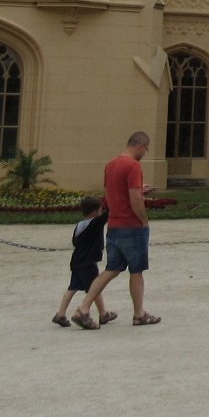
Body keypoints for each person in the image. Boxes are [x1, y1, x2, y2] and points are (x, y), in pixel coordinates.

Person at [74, 131, 160, 328]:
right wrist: (144, 220)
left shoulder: (111, 165)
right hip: (131, 226)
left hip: (114, 225)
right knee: (136, 270)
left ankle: (84, 308)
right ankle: (139, 314)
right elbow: (135, 199)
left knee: (111, 269)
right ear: (140, 146)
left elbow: (111, 193)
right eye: (145, 150)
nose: (144, 154)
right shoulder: (133, 166)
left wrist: (139, 188)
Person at [53, 195, 115, 328]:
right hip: (88, 262)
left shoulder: (80, 225)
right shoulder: (94, 223)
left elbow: (75, 242)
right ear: (94, 213)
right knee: (95, 288)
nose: (101, 212)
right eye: (100, 210)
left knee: (73, 288)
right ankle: (103, 315)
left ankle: (60, 314)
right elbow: (108, 214)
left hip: (77, 261)